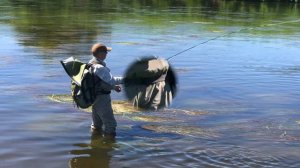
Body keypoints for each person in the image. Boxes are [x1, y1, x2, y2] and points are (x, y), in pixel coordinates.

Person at [89, 43, 123, 138]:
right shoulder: (100, 68)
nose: (107, 54)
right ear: (100, 54)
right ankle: (107, 146)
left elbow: (99, 82)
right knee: (111, 125)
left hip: (94, 97)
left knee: (96, 124)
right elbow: (112, 80)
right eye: (106, 52)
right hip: (102, 99)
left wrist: (113, 87)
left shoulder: (91, 63)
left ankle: (95, 142)